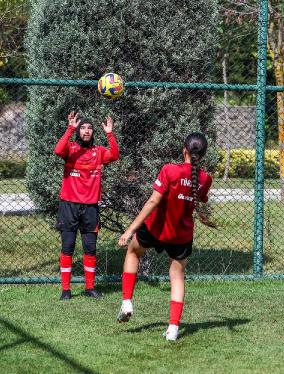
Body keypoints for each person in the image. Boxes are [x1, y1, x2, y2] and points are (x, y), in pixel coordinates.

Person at [117, 132, 214, 341]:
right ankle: (173, 329)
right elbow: (202, 198)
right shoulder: (206, 178)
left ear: (184, 151)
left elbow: (153, 202)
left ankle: (127, 302)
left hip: (156, 229)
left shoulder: (170, 170)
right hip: (182, 235)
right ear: (203, 154)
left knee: (133, 252)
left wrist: (130, 230)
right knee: (177, 276)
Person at [54, 111, 120, 300]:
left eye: (89, 128)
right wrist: (70, 128)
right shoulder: (71, 149)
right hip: (69, 206)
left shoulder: (98, 152)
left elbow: (115, 155)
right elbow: (58, 150)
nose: (86, 131)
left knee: (90, 248)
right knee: (67, 247)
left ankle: (90, 288)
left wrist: (110, 133)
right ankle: (66, 290)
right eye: (83, 128)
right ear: (78, 131)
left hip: (90, 207)